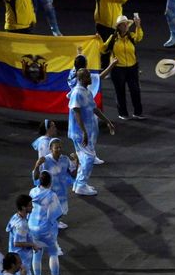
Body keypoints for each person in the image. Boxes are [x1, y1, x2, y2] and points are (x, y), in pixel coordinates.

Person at [68, 68, 116, 196]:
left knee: (84, 158)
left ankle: (78, 184)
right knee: (89, 158)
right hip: (79, 133)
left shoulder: (86, 91)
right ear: (80, 79)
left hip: (86, 132)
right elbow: (76, 112)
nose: (90, 79)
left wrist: (107, 121)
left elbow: (94, 109)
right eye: (87, 77)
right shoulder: (77, 93)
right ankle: (81, 185)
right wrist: (83, 132)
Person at [67, 48, 117, 164]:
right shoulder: (84, 79)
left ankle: (84, 158)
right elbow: (101, 76)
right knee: (89, 136)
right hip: (85, 111)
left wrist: (79, 54)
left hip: (84, 108)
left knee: (81, 141)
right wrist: (112, 64)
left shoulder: (73, 75)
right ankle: (89, 159)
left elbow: (77, 63)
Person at [29, 170, 70, 275]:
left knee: (36, 252)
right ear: (50, 182)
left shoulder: (32, 192)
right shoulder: (51, 195)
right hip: (45, 229)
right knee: (53, 252)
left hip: (32, 226)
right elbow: (58, 213)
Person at [102, 15, 144, 120]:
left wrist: (138, 25)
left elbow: (139, 37)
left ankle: (138, 113)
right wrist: (97, 40)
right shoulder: (113, 38)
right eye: (123, 24)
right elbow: (103, 49)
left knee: (135, 90)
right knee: (120, 91)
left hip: (132, 67)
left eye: (126, 24)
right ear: (119, 26)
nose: (125, 26)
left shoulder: (131, 36)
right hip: (117, 69)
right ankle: (123, 113)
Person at [6, 195, 39, 275]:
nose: (32, 207)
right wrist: (32, 245)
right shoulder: (22, 224)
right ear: (24, 207)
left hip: (17, 260)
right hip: (20, 262)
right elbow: (17, 242)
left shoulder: (16, 217)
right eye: (30, 205)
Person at [33, 138, 78, 229]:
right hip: (49, 192)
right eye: (56, 148)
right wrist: (37, 165)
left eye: (60, 147)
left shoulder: (65, 159)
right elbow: (36, 177)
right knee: (49, 210)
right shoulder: (45, 160)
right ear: (50, 148)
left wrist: (77, 163)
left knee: (60, 210)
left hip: (61, 191)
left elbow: (73, 175)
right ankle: (50, 224)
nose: (59, 149)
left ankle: (55, 223)